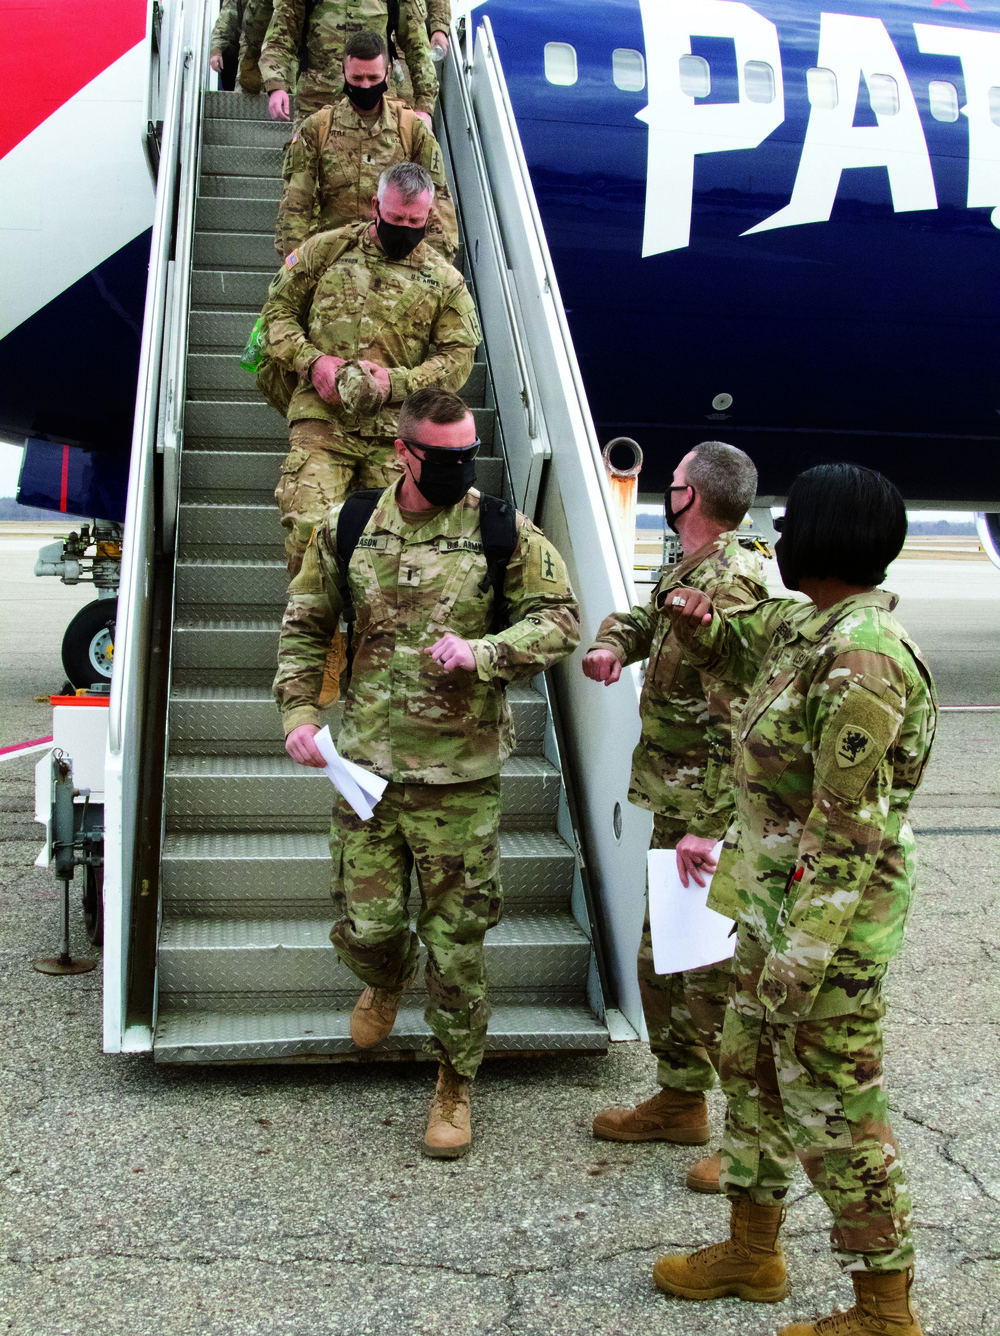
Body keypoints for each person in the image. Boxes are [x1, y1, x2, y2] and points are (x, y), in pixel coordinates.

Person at [653, 463, 937, 1336]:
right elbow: (744, 644)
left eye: (790, 522)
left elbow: (848, 835)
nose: (775, 538)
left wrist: (796, 970)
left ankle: (884, 1308)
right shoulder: (815, 625)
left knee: (840, 1116)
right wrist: (699, 627)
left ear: (825, 538)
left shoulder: (860, 661)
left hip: (822, 941)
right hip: (772, 912)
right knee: (755, 1083)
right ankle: (752, 1252)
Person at [273, 387, 581, 1158]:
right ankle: (384, 975)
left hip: (460, 780)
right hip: (367, 774)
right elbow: (306, 623)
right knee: (367, 927)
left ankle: (454, 1082)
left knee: (459, 945)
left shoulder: (502, 527)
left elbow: (561, 620)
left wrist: (487, 652)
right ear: (403, 454)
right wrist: (299, 714)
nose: (458, 469)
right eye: (442, 457)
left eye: (466, 454)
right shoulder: (349, 525)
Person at [582, 441, 767, 1193]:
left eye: (674, 481)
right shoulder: (691, 569)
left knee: (713, 975)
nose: (668, 490)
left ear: (693, 497)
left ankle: (746, 1137)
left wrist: (715, 824)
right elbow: (650, 622)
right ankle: (682, 1100)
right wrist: (611, 646)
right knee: (666, 966)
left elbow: (748, 714)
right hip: (680, 803)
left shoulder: (732, 584)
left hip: (708, 817)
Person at [260, 159, 480, 580]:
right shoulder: (326, 249)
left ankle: (369, 640)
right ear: (374, 204)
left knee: (393, 548)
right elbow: (277, 313)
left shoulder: (444, 279)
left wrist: (398, 383)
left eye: (416, 220)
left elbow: (458, 356)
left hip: (395, 433)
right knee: (309, 529)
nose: (405, 228)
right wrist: (314, 362)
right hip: (323, 418)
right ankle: (318, 638)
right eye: (396, 217)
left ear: (428, 216)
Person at [274, 30, 457, 262]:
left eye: (373, 78)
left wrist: (434, 271)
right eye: (357, 79)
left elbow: (437, 203)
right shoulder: (317, 128)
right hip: (335, 262)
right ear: (343, 74)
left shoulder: (412, 129)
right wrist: (298, 267)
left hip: (395, 266)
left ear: (387, 75)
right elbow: (296, 205)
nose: (365, 85)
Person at [261, 0, 438, 127]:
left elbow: (417, 47)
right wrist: (276, 85)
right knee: (306, 172)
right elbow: (280, 39)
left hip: (375, 104)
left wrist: (424, 106)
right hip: (317, 103)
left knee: (377, 175)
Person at [209, 0, 274, 95]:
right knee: (247, 92)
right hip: (251, 48)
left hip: (284, 48)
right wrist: (216, 48)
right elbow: (228, 16)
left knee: (285, 99)